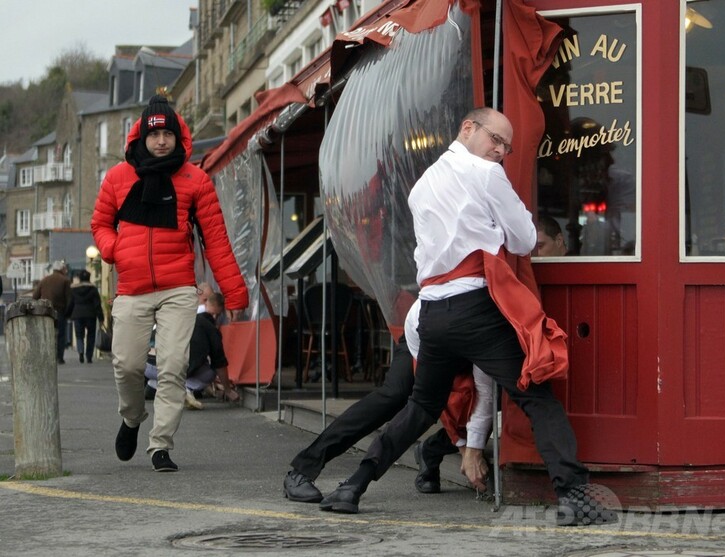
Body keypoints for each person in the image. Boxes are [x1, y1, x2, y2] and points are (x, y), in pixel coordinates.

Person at [318, 108, 614, 526]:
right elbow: (525, 239)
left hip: (432, 311)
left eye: (507, 147)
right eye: (496, 139)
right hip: (475, 306)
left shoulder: (422, 185)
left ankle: (353, 486)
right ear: (468, 128)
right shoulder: (487, 174)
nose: (501, 151)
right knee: (537, 398)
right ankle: (575, 497)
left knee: (421, 407)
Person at [91, 95, 248, 473]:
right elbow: (100, 224)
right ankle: (132, 418)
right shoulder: (118, 178)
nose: (161, 141)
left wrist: (234, 292)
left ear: (179, 137)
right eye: (154, 134)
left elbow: (216, 241)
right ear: (141, 137)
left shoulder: (196, 180)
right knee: (127, 365)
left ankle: (160, 445)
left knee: (174, 365)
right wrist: (113, 249)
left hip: (178, 288)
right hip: (132, 287)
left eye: (168, 134)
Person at [284, 301, 492, 503]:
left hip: (468, 340)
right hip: (423, 338)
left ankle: (431, 450)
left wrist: (472, 448)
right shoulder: (428, 313)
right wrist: (465, 448)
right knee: (395, 395)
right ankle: (303, 468)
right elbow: (431, 398)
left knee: (489, 403)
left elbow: (486, 396)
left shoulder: (490, 328)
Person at [144, 292, 238, 410]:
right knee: (209, 372)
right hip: (175, 367)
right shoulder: (210, 329)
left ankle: (157, 385)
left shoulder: (174, 317)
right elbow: (219, 363)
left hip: (149, 366)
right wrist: (228, 390)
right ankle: (185, 389)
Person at [33, 260, 72, 364]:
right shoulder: (65, 280)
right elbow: (69, 299)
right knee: (61, 335)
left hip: (45, 312)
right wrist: (67, 313)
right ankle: (60, 357)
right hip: (60, 312)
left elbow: (35, 296)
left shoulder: (44, 280)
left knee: (46, 334)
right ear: (62, 269)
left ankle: (47, 356)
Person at [66, 269, 104, 363]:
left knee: (79, 335)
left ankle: (81, 352)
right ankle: (89, 356)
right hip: (91, 314)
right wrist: (101, 317)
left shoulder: (74, 289)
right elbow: (97, 304)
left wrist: (68, 314)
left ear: (79, 279)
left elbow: (71, 303)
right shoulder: (93, 289)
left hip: (78, 314)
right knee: (91, 335)